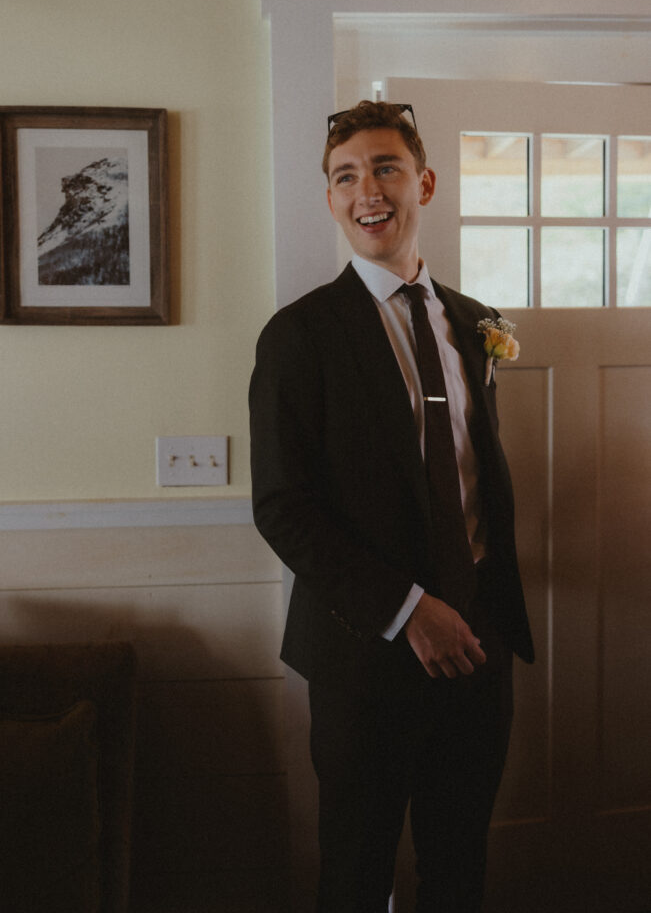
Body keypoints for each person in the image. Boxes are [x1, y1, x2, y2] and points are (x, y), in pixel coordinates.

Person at [249, 100, 534, 913]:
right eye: (345, 176)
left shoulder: (474, 323)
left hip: (479, 651)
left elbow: (470, 480)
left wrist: (474, 610)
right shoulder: (298, 337)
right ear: (331, 198)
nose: (365, 189)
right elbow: (281, 507)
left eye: (384, 168)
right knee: (356, 874)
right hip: (364, 659)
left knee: (457, 868)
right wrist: (409, 610)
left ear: (424, 183)